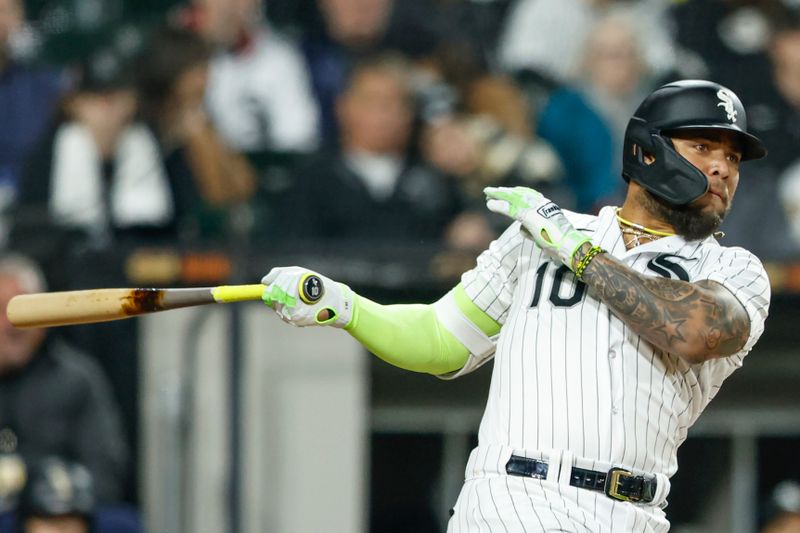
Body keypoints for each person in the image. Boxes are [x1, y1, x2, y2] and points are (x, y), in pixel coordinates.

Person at [259, 79, 771, 532]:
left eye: (732, 158)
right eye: (703, 146)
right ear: (648, 151)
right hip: (515, 499)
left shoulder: (732, 269)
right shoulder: (539, 236)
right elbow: (443, 339)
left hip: (636, 512)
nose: (721, 168)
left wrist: (577, 252)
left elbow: (696, 330)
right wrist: (346, 307)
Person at [0, 254, 129, 519]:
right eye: (1, 310)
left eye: (26, 311)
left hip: (53, 518)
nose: (12, 324)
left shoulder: (77, 380)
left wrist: (38, 482)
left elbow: (106, 474)